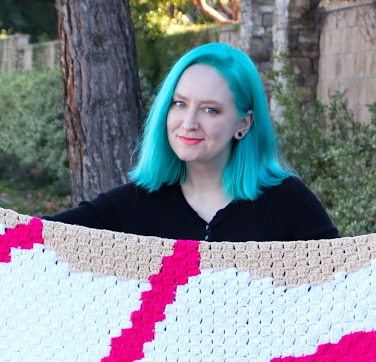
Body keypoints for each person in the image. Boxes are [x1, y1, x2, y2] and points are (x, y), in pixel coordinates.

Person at [50, 43, 338, 243]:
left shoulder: (287, 201)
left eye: (210, 109)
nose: (188, 122)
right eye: (179, 104)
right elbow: (36, 241)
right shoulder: (133, 204)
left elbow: (345, 284)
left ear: (244, 124)